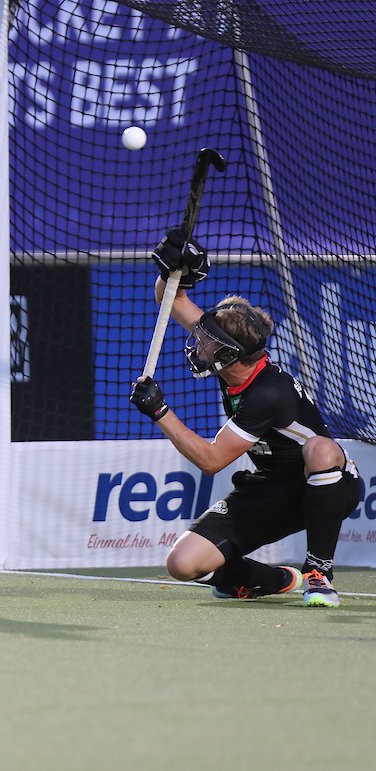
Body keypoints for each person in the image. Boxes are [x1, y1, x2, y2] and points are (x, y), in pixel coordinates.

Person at [129, 229, 362, 607]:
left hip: (326, 483)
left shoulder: (268, 392)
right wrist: (176, 271)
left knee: (320, 448)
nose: (198, 343)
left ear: (229, 355)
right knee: (181, 563)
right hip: (270, 488)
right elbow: (170, 298)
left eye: (206, 342)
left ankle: (319, 571)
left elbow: (211, 460)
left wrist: (161, 412)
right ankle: (266, 579)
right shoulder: (228, 356)